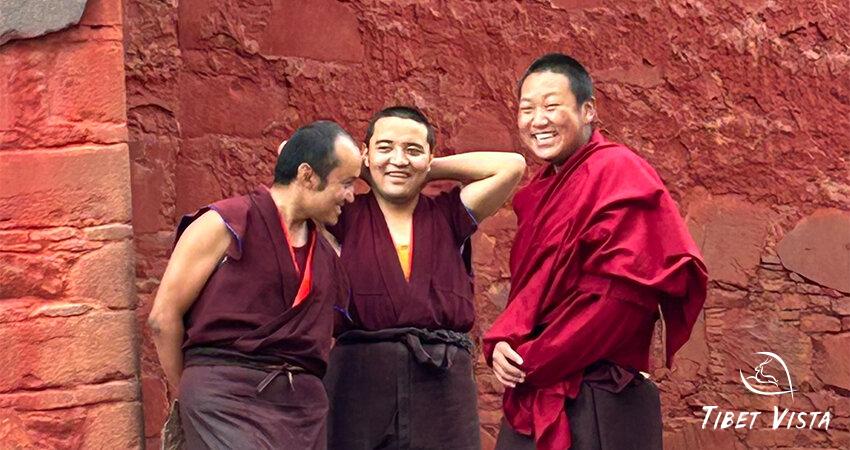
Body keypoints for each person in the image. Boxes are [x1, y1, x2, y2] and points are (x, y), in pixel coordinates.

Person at [483, 53, 708, 450]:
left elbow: (620, 303)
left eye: (552, 106)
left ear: (588, 111)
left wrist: (529, 359)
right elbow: (531, 296)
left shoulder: (619, 172)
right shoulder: (540, 193)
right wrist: (503, 343)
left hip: (597, 400)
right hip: (533, 395)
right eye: (527, 109)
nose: (538, 120)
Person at [147, 120, 362, 450]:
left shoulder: (326, 254)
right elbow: (163, 319)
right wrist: (193, 392)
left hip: (302, 414)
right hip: (225, 401)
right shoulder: (225, 223)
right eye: (346, 183)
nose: (351, 196)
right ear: (307, 176)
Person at [323, 106, 526, 449]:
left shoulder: (449, 214)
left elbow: (511, 166)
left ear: (430, 157)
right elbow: (293, 154)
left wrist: (424, 169)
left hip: (441, 383)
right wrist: (371, 167)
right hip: (360, 382)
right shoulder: (343, 214)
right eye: (385, 147)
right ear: (365, 154)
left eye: (413, 150)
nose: (398, 159)